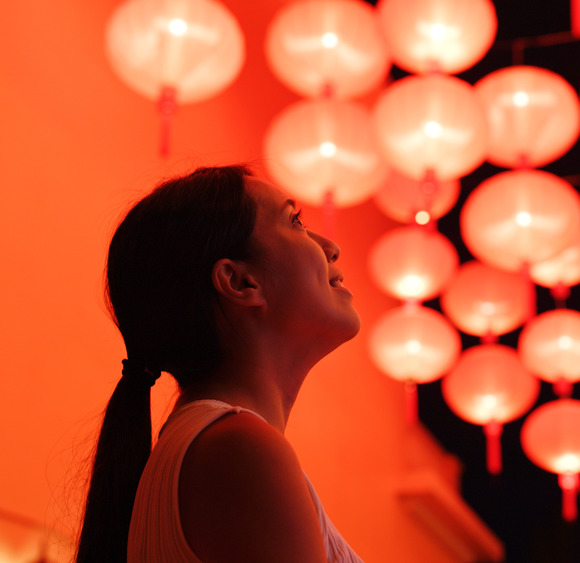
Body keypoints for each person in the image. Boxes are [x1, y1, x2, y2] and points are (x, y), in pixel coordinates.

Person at [75, 165, 364, 563]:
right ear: (241, 282)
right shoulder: (239, 448)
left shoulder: (216, 445)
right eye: (295, 221)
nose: (330, 246)